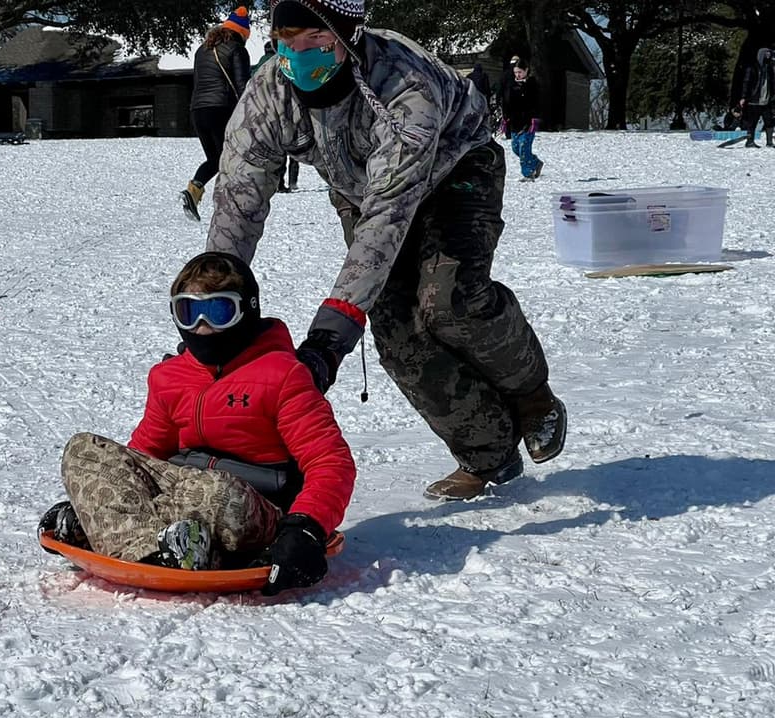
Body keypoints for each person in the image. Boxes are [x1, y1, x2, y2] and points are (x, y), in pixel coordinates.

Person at [205, 0, 566, 501]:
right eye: (288, 42)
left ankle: (532, 395)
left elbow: (387, 218)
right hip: (359, 189)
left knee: (449, 300)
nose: (298, 56)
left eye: (316, 41)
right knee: (397, 332)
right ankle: (487, 452)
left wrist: (331, 335)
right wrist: (216, 302)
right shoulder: (268, 94)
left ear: (348, 37)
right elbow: (238, 200)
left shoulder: (404, 86)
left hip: (456, 170)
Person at [38, 252, 356, 595]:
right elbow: (144, 454)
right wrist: (107, 485)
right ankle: (160, 549)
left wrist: (305, 527)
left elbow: (330, 462)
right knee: (84, 448)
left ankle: (113, 529)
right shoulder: (170, 377)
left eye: (218, 311)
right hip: (183, 489)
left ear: (246, 311)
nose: (202, 326)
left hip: (252, 505)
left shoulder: (282, 375)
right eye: (189, 312)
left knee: (216, 492)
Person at [180, 7, 253, 221]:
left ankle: (194, 190)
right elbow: (242, 86)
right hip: (221, 109)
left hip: (198, 110)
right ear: (241, 33)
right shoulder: (236, 49)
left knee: (216, 158)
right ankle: (232, 207)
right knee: (232, 158)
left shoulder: (201, 50)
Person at [254, 40, 301, 192]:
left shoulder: (260, 64)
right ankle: (291, 183)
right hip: (285, 108)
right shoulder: (281, 61)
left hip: (264, 110)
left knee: (275, 148)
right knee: (292, 147)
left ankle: (277, 183)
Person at [502, 57, 543, 180]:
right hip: (514, 122)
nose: (518, 75)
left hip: (528, 122)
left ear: (526, 70)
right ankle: (536, 162)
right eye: (515, 72)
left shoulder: (532, 84)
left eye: (520, 72)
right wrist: (505, 117)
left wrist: (535, 118)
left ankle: (528, 174)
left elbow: (537, 103)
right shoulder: (511, 85)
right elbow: (506, 102)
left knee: (524, 148)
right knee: (516, 148)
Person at [738, 48, 774, 148]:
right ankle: (750, 142)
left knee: (769, 121)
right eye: (766, 55)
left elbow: (772, 84)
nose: (769, 57)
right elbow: (746, 82)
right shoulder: (752, 68)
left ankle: (770, 142)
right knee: (752, 123)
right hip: (754, 100)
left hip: (766, 101)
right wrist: (743, 97)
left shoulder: (769, 68)